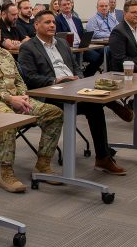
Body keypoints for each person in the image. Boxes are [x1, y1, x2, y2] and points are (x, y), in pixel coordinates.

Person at [17, 10, 129, 175]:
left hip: (73, 87)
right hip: (51, 94)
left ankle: (103, 158)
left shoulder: (62, 43)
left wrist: (79, 79)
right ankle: (109, 102)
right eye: (47, 22)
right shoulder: (28, 47)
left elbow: (76, 67)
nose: (52, 25)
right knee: (95, 102)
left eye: (53, 22)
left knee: (95, 106)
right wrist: (55, 81)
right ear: (36, 25)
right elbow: (30, 77)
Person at [0, 15, 63, 193]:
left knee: (54, 113)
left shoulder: (5, 54)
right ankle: (6, 173)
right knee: (7, 119)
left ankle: (43, 164)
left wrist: (22, 97)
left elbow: (19, 80)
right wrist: (9, 99)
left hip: (16, 100)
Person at [54, 0, 103, 77]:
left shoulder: (77, 20)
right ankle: (78, 77)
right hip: (69, 49)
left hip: (81, 47)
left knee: (98, 57)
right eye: (64, 5)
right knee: (74, 61)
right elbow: (59, 37)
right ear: (60, 7)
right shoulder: (57, 20)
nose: (67, 6)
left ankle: (85, 76)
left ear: (71, 5)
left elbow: (82, 34)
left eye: (68, 4)